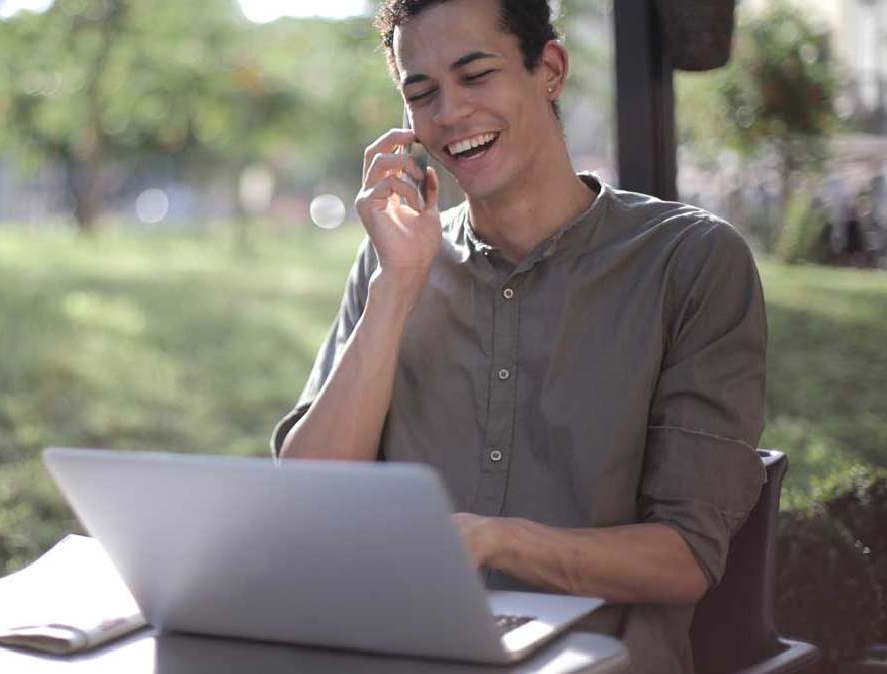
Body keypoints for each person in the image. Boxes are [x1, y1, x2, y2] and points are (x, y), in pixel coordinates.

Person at [271, 1, 768, 672]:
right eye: (422, 94)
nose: (449, 113)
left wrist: (494, 542)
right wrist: (396, 289)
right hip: (396, 650)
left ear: (551, 70)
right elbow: (305, 504)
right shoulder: (395, 260)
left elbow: (685, 558)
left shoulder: (691, 262)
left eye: (476, 75)